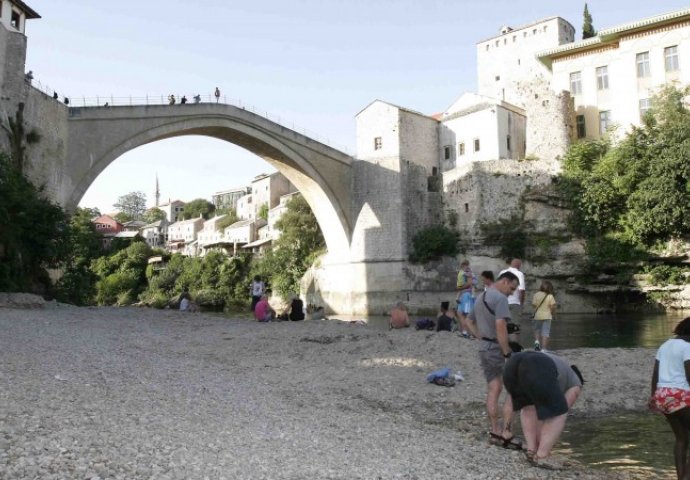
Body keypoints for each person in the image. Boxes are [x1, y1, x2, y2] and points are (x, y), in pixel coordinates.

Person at [466, 271, 520, 449]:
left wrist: (479, 336)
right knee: (513, 389)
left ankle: (494, 431)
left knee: (493, 389)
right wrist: (506, 352)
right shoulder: (500, 299)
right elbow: (500, 327)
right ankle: (507, 432)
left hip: (484, 349)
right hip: (497, 349)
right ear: (505, 281)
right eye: (512, 288)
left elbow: (468, 320)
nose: (512, 293)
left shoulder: (481, 296)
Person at [503, 350, 582, 470]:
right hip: (536, 367)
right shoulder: (575, 384)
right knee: (558, 413)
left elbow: (538, 411)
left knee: (529, 408)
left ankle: (531, 450)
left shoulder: (561, 368)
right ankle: (542, 455)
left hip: (511, 366)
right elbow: (553, 414)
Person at [649, 317, 690, 480]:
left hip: (663, 396)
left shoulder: (664, 345)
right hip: (681, 395)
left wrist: (653, 397)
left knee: (681, 438)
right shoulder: (688, 347)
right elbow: (689, 375)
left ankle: (681, 477)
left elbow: (655, 375)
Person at [499, 258, 526, 337]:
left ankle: (504, 346)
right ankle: (514, 347)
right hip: (515, 302)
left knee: (503, 325)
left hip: (502, 302)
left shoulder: (502, 272)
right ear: (519, 265)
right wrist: (521, 303)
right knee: (514, 326)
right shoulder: (519, 274)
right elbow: (522, 290)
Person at [532, 281, 556, 351]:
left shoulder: (536, 294)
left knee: (537, 331)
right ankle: (544, 349)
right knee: (546, 332)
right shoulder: (550, 296)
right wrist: (552, 314)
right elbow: (553, 306)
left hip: (537, 316)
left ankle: (537, 345)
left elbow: (533, 305)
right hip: (547, 316)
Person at [456, 259, 477, 338]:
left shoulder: (468, 272)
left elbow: (470, 283)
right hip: (463, 295)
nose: (464, 266)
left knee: (467, 315)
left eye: (465, 264)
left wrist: (459, 288)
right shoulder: (462, 272)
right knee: (460, 313)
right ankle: (465, 332)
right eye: (463, 265)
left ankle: (471, 333)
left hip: (467, 295)